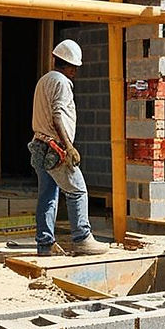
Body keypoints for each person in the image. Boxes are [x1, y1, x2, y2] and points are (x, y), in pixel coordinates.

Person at [28, 39, 108, 256]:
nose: (76, 72)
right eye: (75, 67)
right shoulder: (62, 83)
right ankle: (82, 239)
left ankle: (45, 245)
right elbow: (57, 116)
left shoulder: (44, 80)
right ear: (70, 66)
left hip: (39, 145)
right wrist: (69, 147)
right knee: (77, 191)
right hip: (55, 149)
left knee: (48, 196)